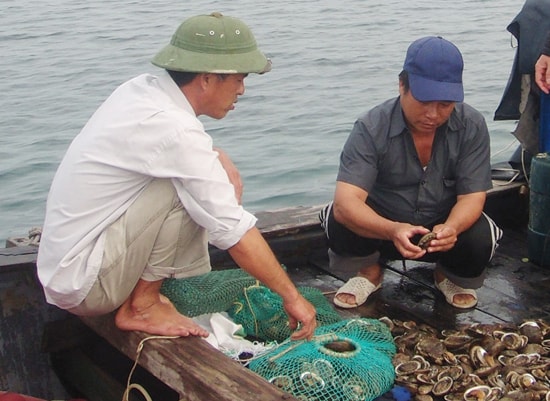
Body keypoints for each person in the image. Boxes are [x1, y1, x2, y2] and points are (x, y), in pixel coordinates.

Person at [36, 12, 316, 340]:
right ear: (207, 79)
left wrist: (215, 154)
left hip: (68, 265)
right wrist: (292, 297)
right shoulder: (176, 131)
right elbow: (232, 229)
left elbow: (178, 145)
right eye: (239, 78)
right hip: (86, 285)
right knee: (190, 190)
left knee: (201, 176)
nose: (242, 89)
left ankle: (142, 294)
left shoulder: (141, 90)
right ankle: (143, 304)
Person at [319, 36, 503, 310]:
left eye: (445, 104)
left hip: (440, 229)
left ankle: (446, 274)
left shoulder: (471, 124)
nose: (433, 114)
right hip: (382, 229)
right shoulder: (370, 127)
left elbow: (472, 198)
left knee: (480, 236)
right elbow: (348, 202)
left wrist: (451, 228)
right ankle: (369, 271)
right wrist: (392, 229)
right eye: (424, 100)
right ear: (402, 85)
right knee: (339, 216)